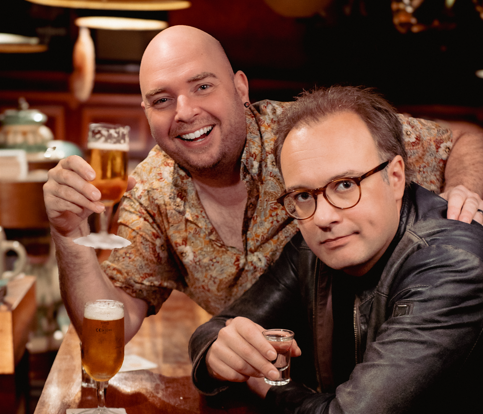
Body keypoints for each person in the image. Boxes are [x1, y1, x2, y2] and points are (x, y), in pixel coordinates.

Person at [43, 25, 483, 344]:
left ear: (240, 88)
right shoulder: (149, 193)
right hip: (260, 391)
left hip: (374, 374)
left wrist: (467, 187)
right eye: (162, 99)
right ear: (147, 112)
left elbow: (465, 140)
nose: (185, 111)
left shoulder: (308, 136)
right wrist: (68, 235)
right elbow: (109, 329)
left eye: (202, 86)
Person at [189, 85, 483, 414]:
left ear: (395, 177)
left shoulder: (451, 262)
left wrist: (267, 386)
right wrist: (218, 355)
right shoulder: (313, 249)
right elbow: (216, 329)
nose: (323, 217)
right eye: (303, 195)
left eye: (345, 185)